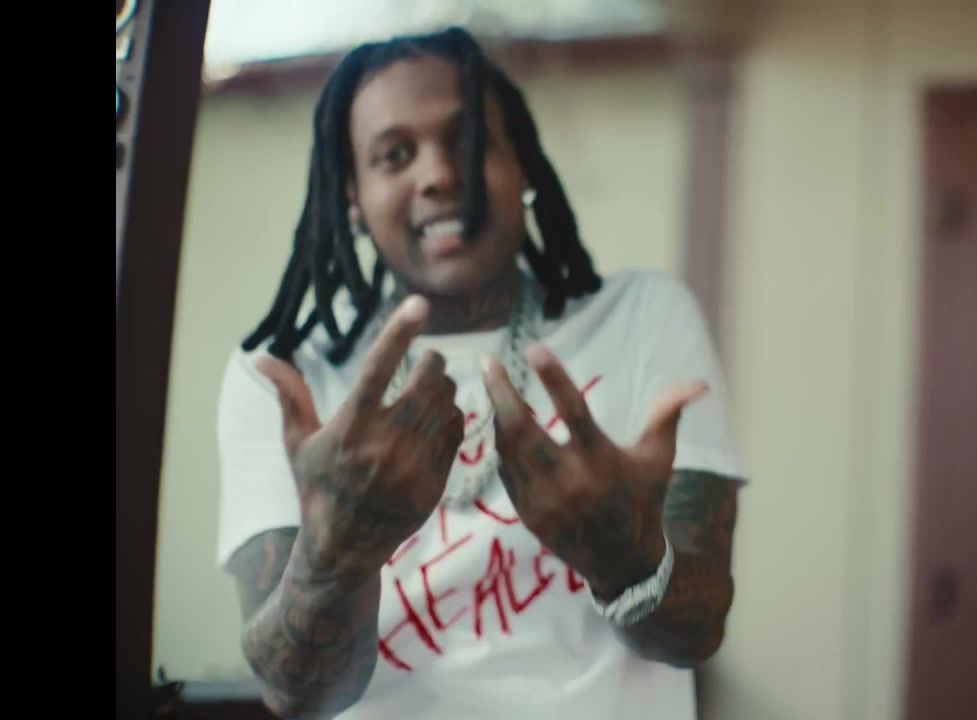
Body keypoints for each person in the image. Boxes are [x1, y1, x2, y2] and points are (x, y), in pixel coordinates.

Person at [215, 26, 747, 720]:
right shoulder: (284, 376)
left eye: (468, 140)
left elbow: (696, 634)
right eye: (395, 154)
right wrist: (335, 552)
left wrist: (627, 556)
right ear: (352, 195)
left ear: (521, 164)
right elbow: (295, 693)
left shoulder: (643, 318)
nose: (439, 175)